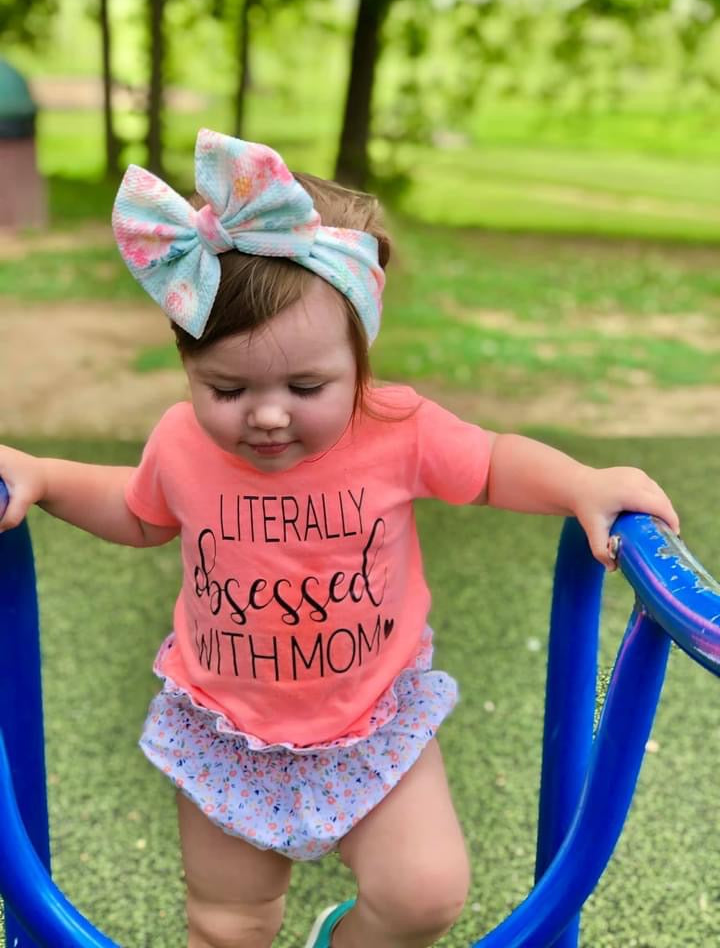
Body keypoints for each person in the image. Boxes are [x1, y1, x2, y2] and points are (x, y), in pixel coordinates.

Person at [0, 129, 679, 948]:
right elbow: (140, 511)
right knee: (228, 920)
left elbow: (495, 465)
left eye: (306, 384)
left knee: (424, 895)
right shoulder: (183, 442)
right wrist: (43, 474)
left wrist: (580, 484)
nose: (269, 414)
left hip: (371, 724)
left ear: (360, 355)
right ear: (188, 369)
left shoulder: (396, 427)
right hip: (226, 730)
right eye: (228, 387)